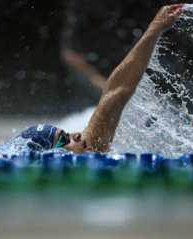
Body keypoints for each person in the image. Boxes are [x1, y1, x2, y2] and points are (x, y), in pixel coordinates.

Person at [15, 4, 184, 154]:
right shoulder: (81, 153)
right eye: (64, 139)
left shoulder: (79, 152)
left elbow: (116, 91)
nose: (76, 134)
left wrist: (154, 30)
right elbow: (118, 90)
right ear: (49, 154)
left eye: (67, 135)